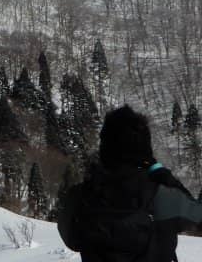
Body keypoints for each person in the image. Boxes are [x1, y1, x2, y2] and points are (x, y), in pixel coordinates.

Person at [58, 105, 202, 262]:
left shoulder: (80, 197)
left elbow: (72, 240)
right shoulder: (163, 195)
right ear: (143, 149)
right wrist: (164, 175)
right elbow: (198, 216)